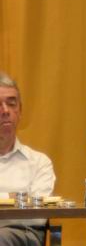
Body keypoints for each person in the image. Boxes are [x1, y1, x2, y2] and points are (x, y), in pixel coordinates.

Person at [0, 72, 55, 246]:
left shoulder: (39, 163)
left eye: (11, 104)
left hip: (23, 234)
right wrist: (11, 198)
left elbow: (37, 217)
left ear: (20, 111)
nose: (5, 111)